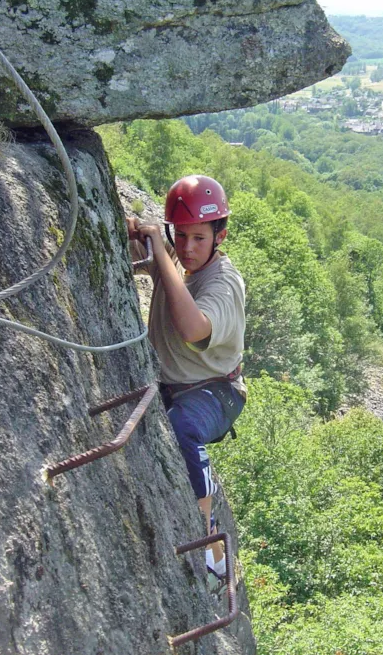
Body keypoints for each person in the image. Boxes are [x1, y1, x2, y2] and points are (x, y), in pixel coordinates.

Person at [126, 175, 246, 587]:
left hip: (217, 391)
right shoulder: (181, 259)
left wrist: (161, 252)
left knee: (183, 428)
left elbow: (194, 328)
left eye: (199, 238)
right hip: (178, 384)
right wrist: (136, 239)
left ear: (220, 236)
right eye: (181, 236)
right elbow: (156, 267)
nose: (188, 248)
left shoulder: (222, 284)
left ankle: (209, 541)